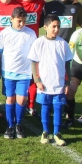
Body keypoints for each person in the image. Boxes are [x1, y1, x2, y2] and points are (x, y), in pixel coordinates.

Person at [43, 0, 82, 127]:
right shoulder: (49, 6)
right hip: (50, 51)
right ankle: (50, 113)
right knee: (51, 83)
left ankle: (70, 117)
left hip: (69, 53)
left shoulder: (76, 7)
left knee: (68, 86)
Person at [28, 15, 74, 146]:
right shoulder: (39, 42)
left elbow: (67, 65)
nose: (56, 29)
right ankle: (45, 132)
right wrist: (37, 80)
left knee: (59, 108)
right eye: (54, 26)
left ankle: (57, 133)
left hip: (59, 83)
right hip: (45, 84)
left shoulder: (63, 44)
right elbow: (34, 63)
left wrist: (66, 82)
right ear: (45, 27)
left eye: (58, 26)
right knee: (45, 107)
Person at [0, 7, 36, 139]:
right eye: (19, 21)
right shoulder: (4, 33)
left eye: (24, 21)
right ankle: (10, 126)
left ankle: (18, 124)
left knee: (21, 99)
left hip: (24, 72)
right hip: (8, 72)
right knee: (10, 98)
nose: (21, 24)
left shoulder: (30, 33)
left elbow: (34, 53)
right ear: (11, 19)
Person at [18, 0, 45, 116]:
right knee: (21, 75)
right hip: (18, 45)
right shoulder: (16, 4)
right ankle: (17, 101)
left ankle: (31, 105)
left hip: (34, 45)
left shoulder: (40, 3)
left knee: (34, 74)